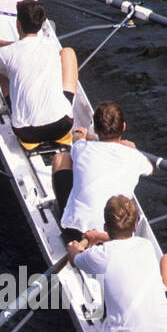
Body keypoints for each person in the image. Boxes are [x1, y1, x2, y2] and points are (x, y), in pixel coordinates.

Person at [67, 195, 167, 332]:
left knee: (102, 281)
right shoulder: (145, 245)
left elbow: (73, 258)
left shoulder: (98, 256)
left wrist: (73, 246)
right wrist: (99, 237)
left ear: (106, 227)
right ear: (135, 225)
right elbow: (122, 242)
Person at [0, 0, 78, 147]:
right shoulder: (50, 44)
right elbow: (25, 47)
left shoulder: (5, 54)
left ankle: (10, 110)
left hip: (27, 133)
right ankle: (63, 107)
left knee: (3, 68)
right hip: (63, 125)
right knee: (68, 52)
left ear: (18, 23)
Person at [52, 100, 153, 245]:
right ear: (123, 127)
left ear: (96, 129)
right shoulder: (136, 157)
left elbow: (76, 140)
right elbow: (149, 170)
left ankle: (59, 209)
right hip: (117, 235)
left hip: (75, 232)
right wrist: (133, 149)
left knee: (62, 158)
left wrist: (80, 134)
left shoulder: (82, 148)